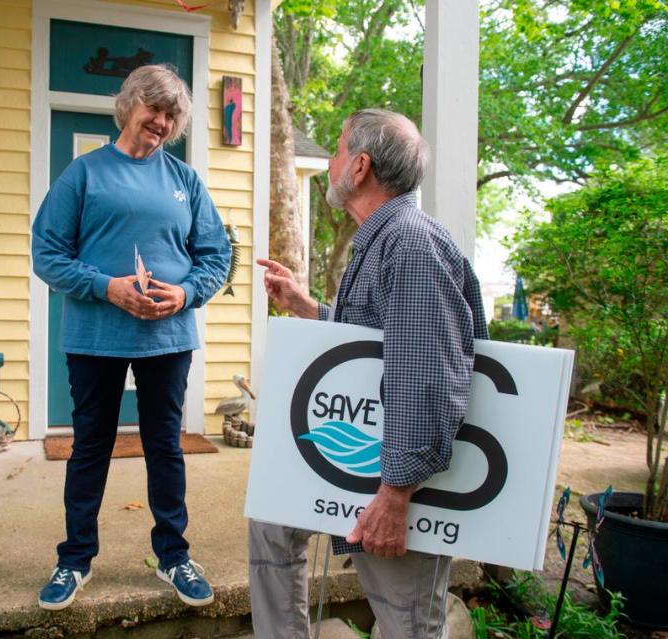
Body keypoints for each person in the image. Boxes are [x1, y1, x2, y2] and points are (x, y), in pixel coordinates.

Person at [250, 109, 488, 638]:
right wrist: (308, 307)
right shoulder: (382, 238)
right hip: (360, 451)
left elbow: (427, 374)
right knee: (271, 518)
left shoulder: (410, 245)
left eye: (335, 150)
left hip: (397, 475)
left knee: (407, 622)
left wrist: (396, 495)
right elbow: (380, 338)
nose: (330, 160)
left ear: (358, 167)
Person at [31, 64, 231, 611]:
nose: (161, 122)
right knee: (90, 446)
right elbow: (47, 255)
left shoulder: (184, 180)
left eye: (172, 115)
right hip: (94, 336)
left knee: (164, 445)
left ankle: (173, 555)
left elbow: (217, 254)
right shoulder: (84, 174)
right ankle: (74, 560)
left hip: (167, 340)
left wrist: (186, 294)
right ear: (129, 106)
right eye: (154, 110)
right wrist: (105, 287)